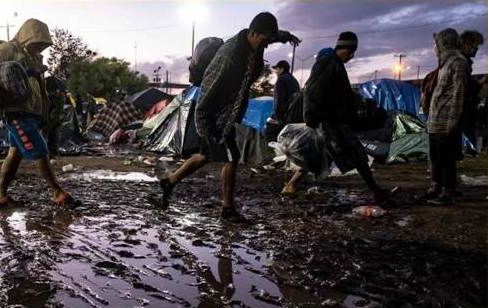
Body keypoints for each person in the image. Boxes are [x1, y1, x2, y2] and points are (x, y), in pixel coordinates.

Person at [153, 12, 300, 222]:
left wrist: (285, 36)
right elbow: (206, 95)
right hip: (215, 115)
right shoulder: (228, 56)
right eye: (265, 40)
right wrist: (207, 129)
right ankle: (227, 209)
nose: (266, 45)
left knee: (205, 156)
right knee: (232, 157)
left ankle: (169, 181)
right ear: (253, 32)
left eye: (269, 41)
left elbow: (272, 36)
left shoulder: (255, 43)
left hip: (231, 112)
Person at [0, 19, 79, 207]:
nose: (40, 47)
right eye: (38, 42)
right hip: (15, 112)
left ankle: (0, 195)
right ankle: (57, 191)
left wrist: (45, 114)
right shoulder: (9, 49)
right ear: (28, 36)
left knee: (15, 154)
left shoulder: (36, 59)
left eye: (43, 44)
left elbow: (41, 87)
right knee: (39, 148)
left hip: (30, 112)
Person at [282, 31, 395, 202]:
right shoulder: (328, 63)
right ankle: (377, 191)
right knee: (356, 153)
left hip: (332, 120)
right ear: (342, 48)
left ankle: (291, 185)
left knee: (320, 154)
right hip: (329, 121)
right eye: (350, 52)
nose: (351, 56)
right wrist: (310, 118)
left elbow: (341, 93)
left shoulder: (334, 63)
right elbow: (313, 91)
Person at [425, 28, 468, 205]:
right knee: (435, 157)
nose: (434, 47)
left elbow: (459, 93)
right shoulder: (444, 64)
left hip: (446, 121)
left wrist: (453, 120)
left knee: (446, 158)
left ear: (443, 44)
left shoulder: (458, 62)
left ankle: (447, 192)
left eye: (435, 44)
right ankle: (436, 187)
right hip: (435, 121)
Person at [458, 30, 484, 153]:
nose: (476, 49)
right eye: (475, 46)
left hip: (463, 106)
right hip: (461, 107)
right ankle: (469, 151)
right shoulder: (461, 62)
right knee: (466, 130)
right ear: (467, 45)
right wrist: (479, 84)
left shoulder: (462, 61)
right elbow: (463, 86)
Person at [272, 59, 300, 124]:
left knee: (270, 130)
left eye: (277, 69)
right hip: (294, 114)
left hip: (283, 115)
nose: (276, 71)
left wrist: (277, 115)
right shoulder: (294, 80)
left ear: (282, 69)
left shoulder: (281, 79)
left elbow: (279, 98)